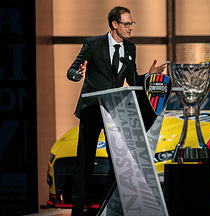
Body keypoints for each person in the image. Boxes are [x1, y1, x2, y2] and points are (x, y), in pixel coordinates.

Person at [67, 6, 166, 216]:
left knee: (119, 163)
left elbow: (133, 81)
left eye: (131, 24)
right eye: (127, 24)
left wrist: (149, 76)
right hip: (92, 110)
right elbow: (71, 71)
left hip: (115, 111)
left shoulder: (130, 49)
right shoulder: (93, 44)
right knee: (84, 164)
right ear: (114, 24)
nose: (130, 28)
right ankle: (78, 211)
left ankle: (108, 208)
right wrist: (78, 73)